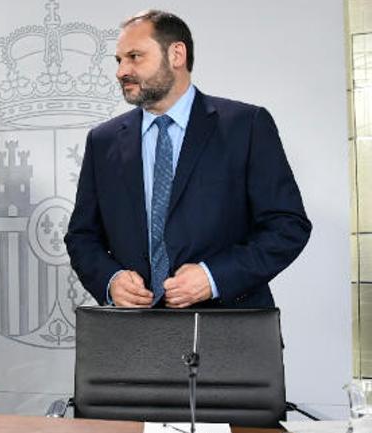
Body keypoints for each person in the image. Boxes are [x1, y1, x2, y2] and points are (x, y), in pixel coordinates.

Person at [64, 10, 311, 309]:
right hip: (134, 339)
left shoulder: (246, 126)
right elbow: (82, 236)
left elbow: (287, 226)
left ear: (176, 54)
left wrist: (214, 277)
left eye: (134, 57)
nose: (121, 71)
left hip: (230, 335)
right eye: (119, 60)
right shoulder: (102, 140)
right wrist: (110, 280)